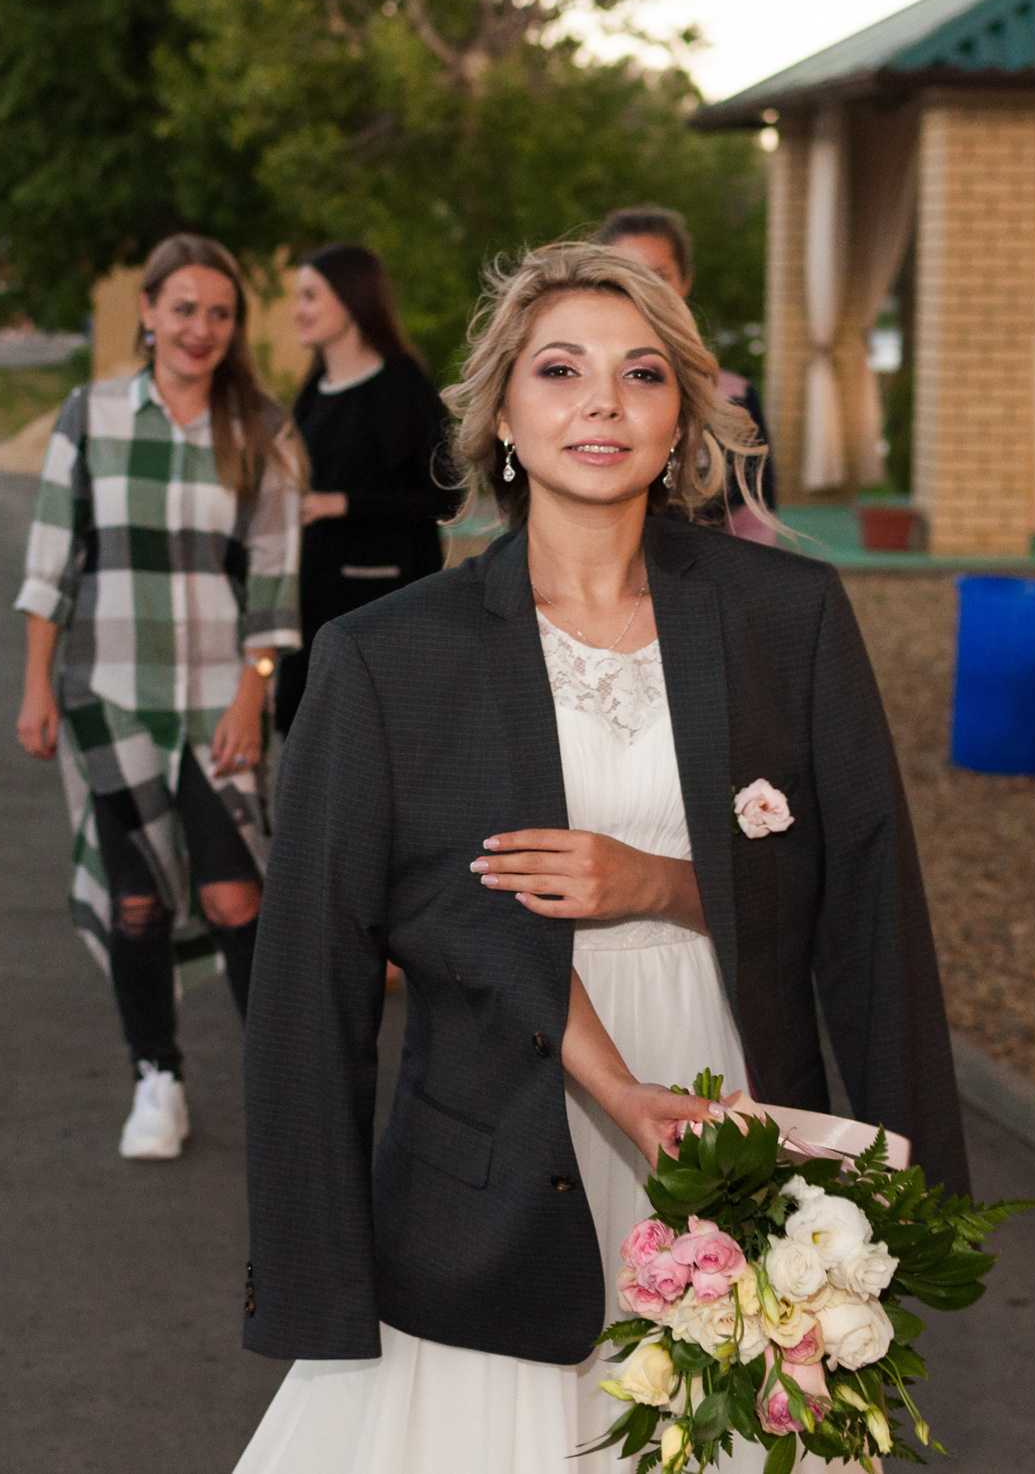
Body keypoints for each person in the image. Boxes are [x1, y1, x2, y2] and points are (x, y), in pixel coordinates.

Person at [235, 243, 966, 1470]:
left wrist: (918, 1197)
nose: (602, 403)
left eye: (641, 375)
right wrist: (320, 1261)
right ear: (502, 416)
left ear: (681, 416)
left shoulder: (788, 614)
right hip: (497, 1138)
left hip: (736, 1112)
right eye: (560, 369)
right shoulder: (386, 655)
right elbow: (314, 969)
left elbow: (867, 896)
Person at [15, 233, 301, 1161]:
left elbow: (274, 578)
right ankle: (157, 1077)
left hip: (223, 697)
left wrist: (254, 694)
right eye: (183, 308)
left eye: (220, 313)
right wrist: (36, 686)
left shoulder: (262, 427)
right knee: (138, 903)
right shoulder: (89, 417)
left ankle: (286, 1094)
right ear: (147, 312)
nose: (201, 328)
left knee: (233, 896)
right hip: (111, 695)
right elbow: (52, 559)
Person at [276, 244, 456, 734]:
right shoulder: (311, 396)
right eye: (298, 297)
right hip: (309, 613)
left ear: (351, 298)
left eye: (310, 296)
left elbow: (447, 496)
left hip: (382, 617)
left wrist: (344, 504)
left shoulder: (405, 389)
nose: (298, 310)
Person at [596, 205, 778, 540]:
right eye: (625, 273)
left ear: (685, 283)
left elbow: (755, 514)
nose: (642, 288)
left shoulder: (733, 397)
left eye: (658, 275)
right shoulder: (573, 396)